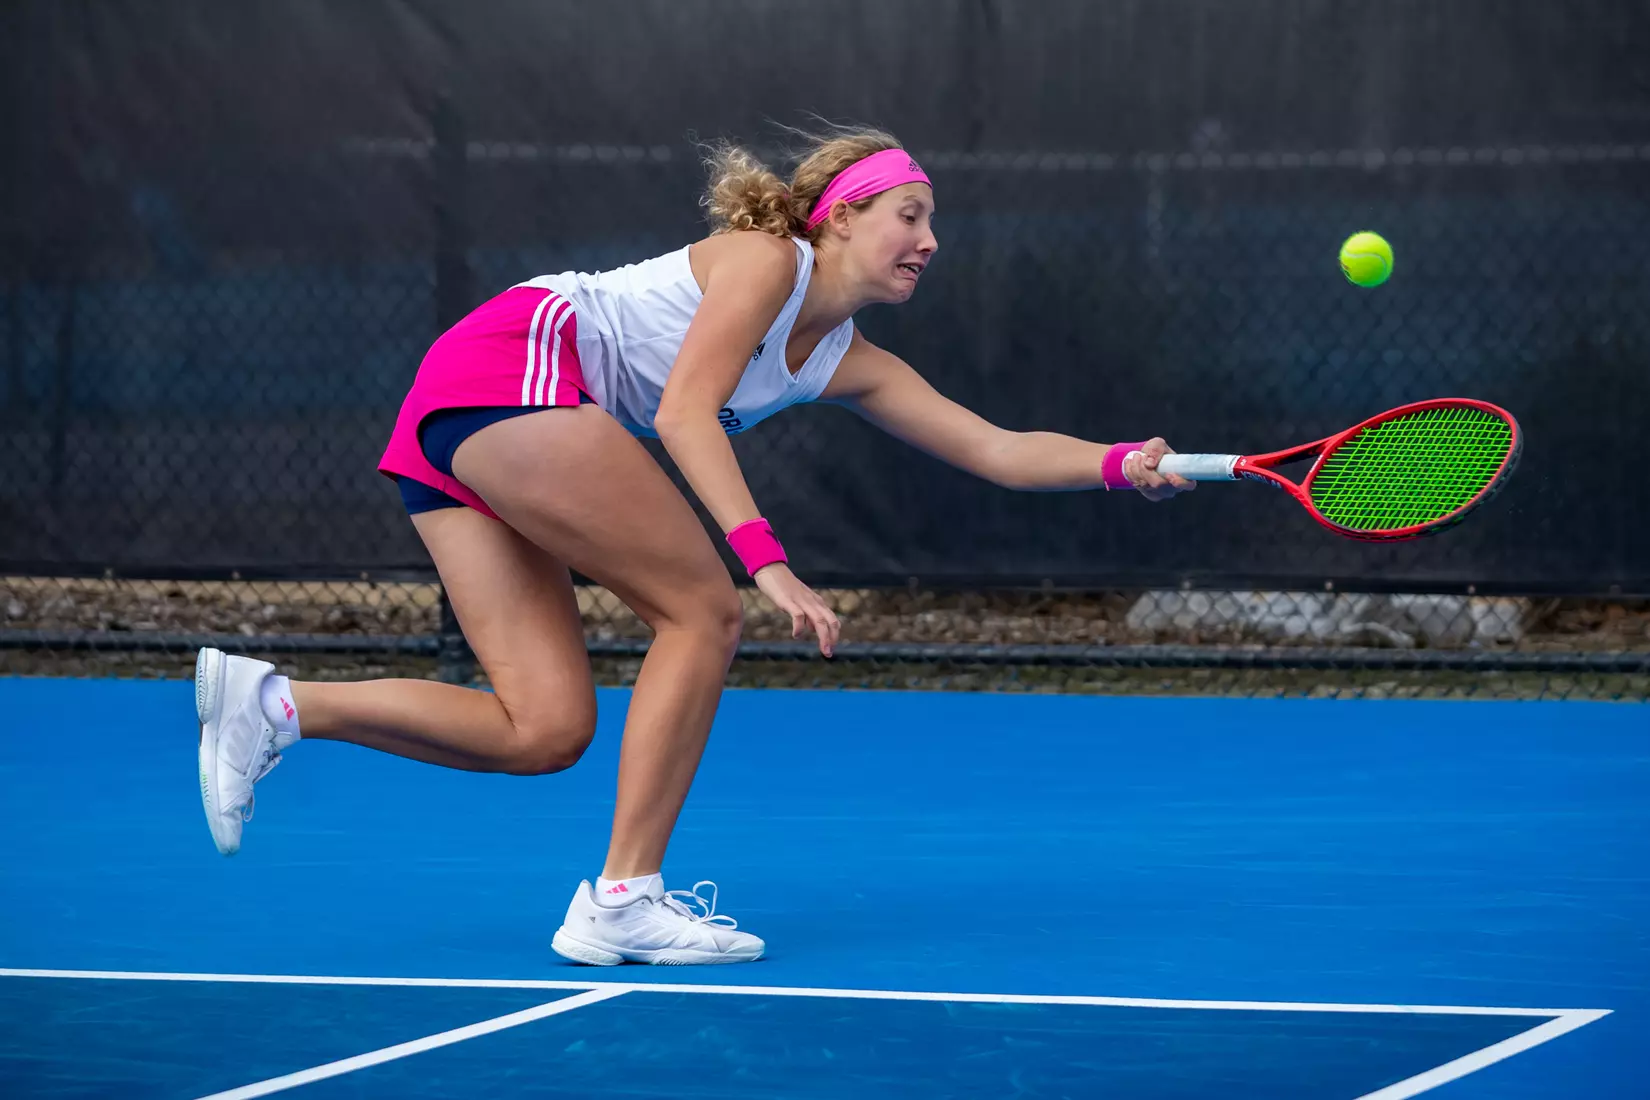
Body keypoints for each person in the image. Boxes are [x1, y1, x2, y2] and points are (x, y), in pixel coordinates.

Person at [193, 125, 1192, 967]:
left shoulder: (849, 360)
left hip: (460, 414)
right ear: (841, 216)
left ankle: (275, 705)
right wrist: (767, 561)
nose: (930, 239)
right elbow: (683, 411)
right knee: (704, 611)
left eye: (932, 221)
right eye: (910, 214)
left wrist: (1122, 463)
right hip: (512, 364)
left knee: (543, 730)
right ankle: (624, 897)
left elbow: (996, 448)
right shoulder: (766, 261)